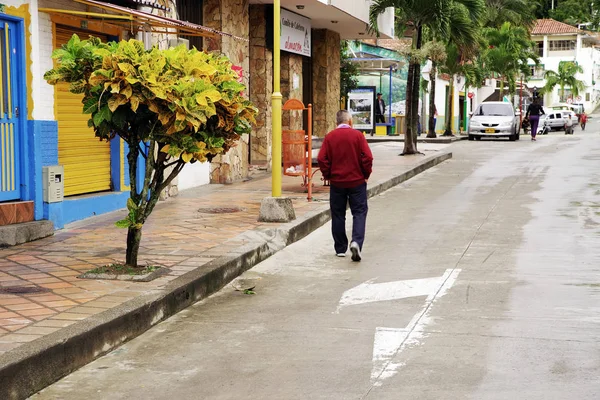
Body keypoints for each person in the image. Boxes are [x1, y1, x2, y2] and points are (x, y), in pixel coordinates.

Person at [318, 110, 373, 262]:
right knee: (359, 212)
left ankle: (340, 248)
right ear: (349, 122)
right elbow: (368, 157)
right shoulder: (357, 136)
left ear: (337, 122)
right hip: (357, 182)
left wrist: (328, 174)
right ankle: (356, 242)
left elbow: (322, 159)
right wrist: (365, 174)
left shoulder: (330, 137)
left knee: (338, 213)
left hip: (337, 183)